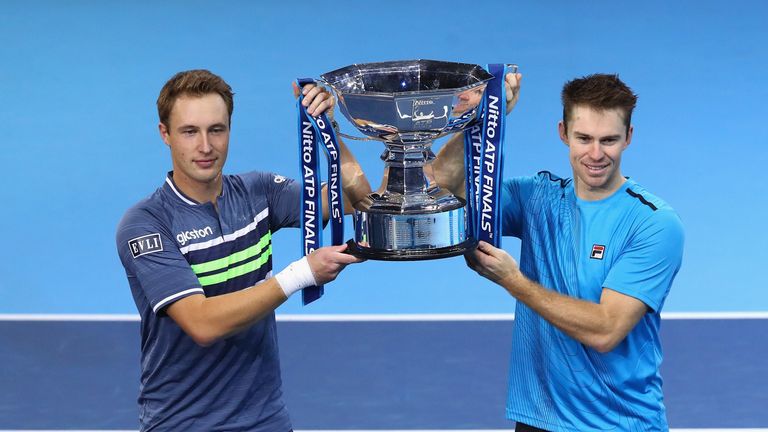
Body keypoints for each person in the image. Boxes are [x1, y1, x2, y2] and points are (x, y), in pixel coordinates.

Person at [115, 69, 370, 431]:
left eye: (216, 129)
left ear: (229, 130)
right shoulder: (146, 224)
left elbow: (358, 199)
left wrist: (330, 131)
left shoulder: (259, 193)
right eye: (190, 131)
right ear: (165, 134)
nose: (205, 146)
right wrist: (302, 274)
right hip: (183, 424)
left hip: (266, 420)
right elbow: (202, 323)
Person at [435, 73, 684, 431]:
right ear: (563, 133)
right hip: (538, 421)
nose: (596, 154)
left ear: (628, 138)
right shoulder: (537, 198)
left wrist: (513, 281)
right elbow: (437, 189)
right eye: (584, 138)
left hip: (617, 425)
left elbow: (606, 330)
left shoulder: (654, 224)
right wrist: (485, 119)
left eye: (609, 140)